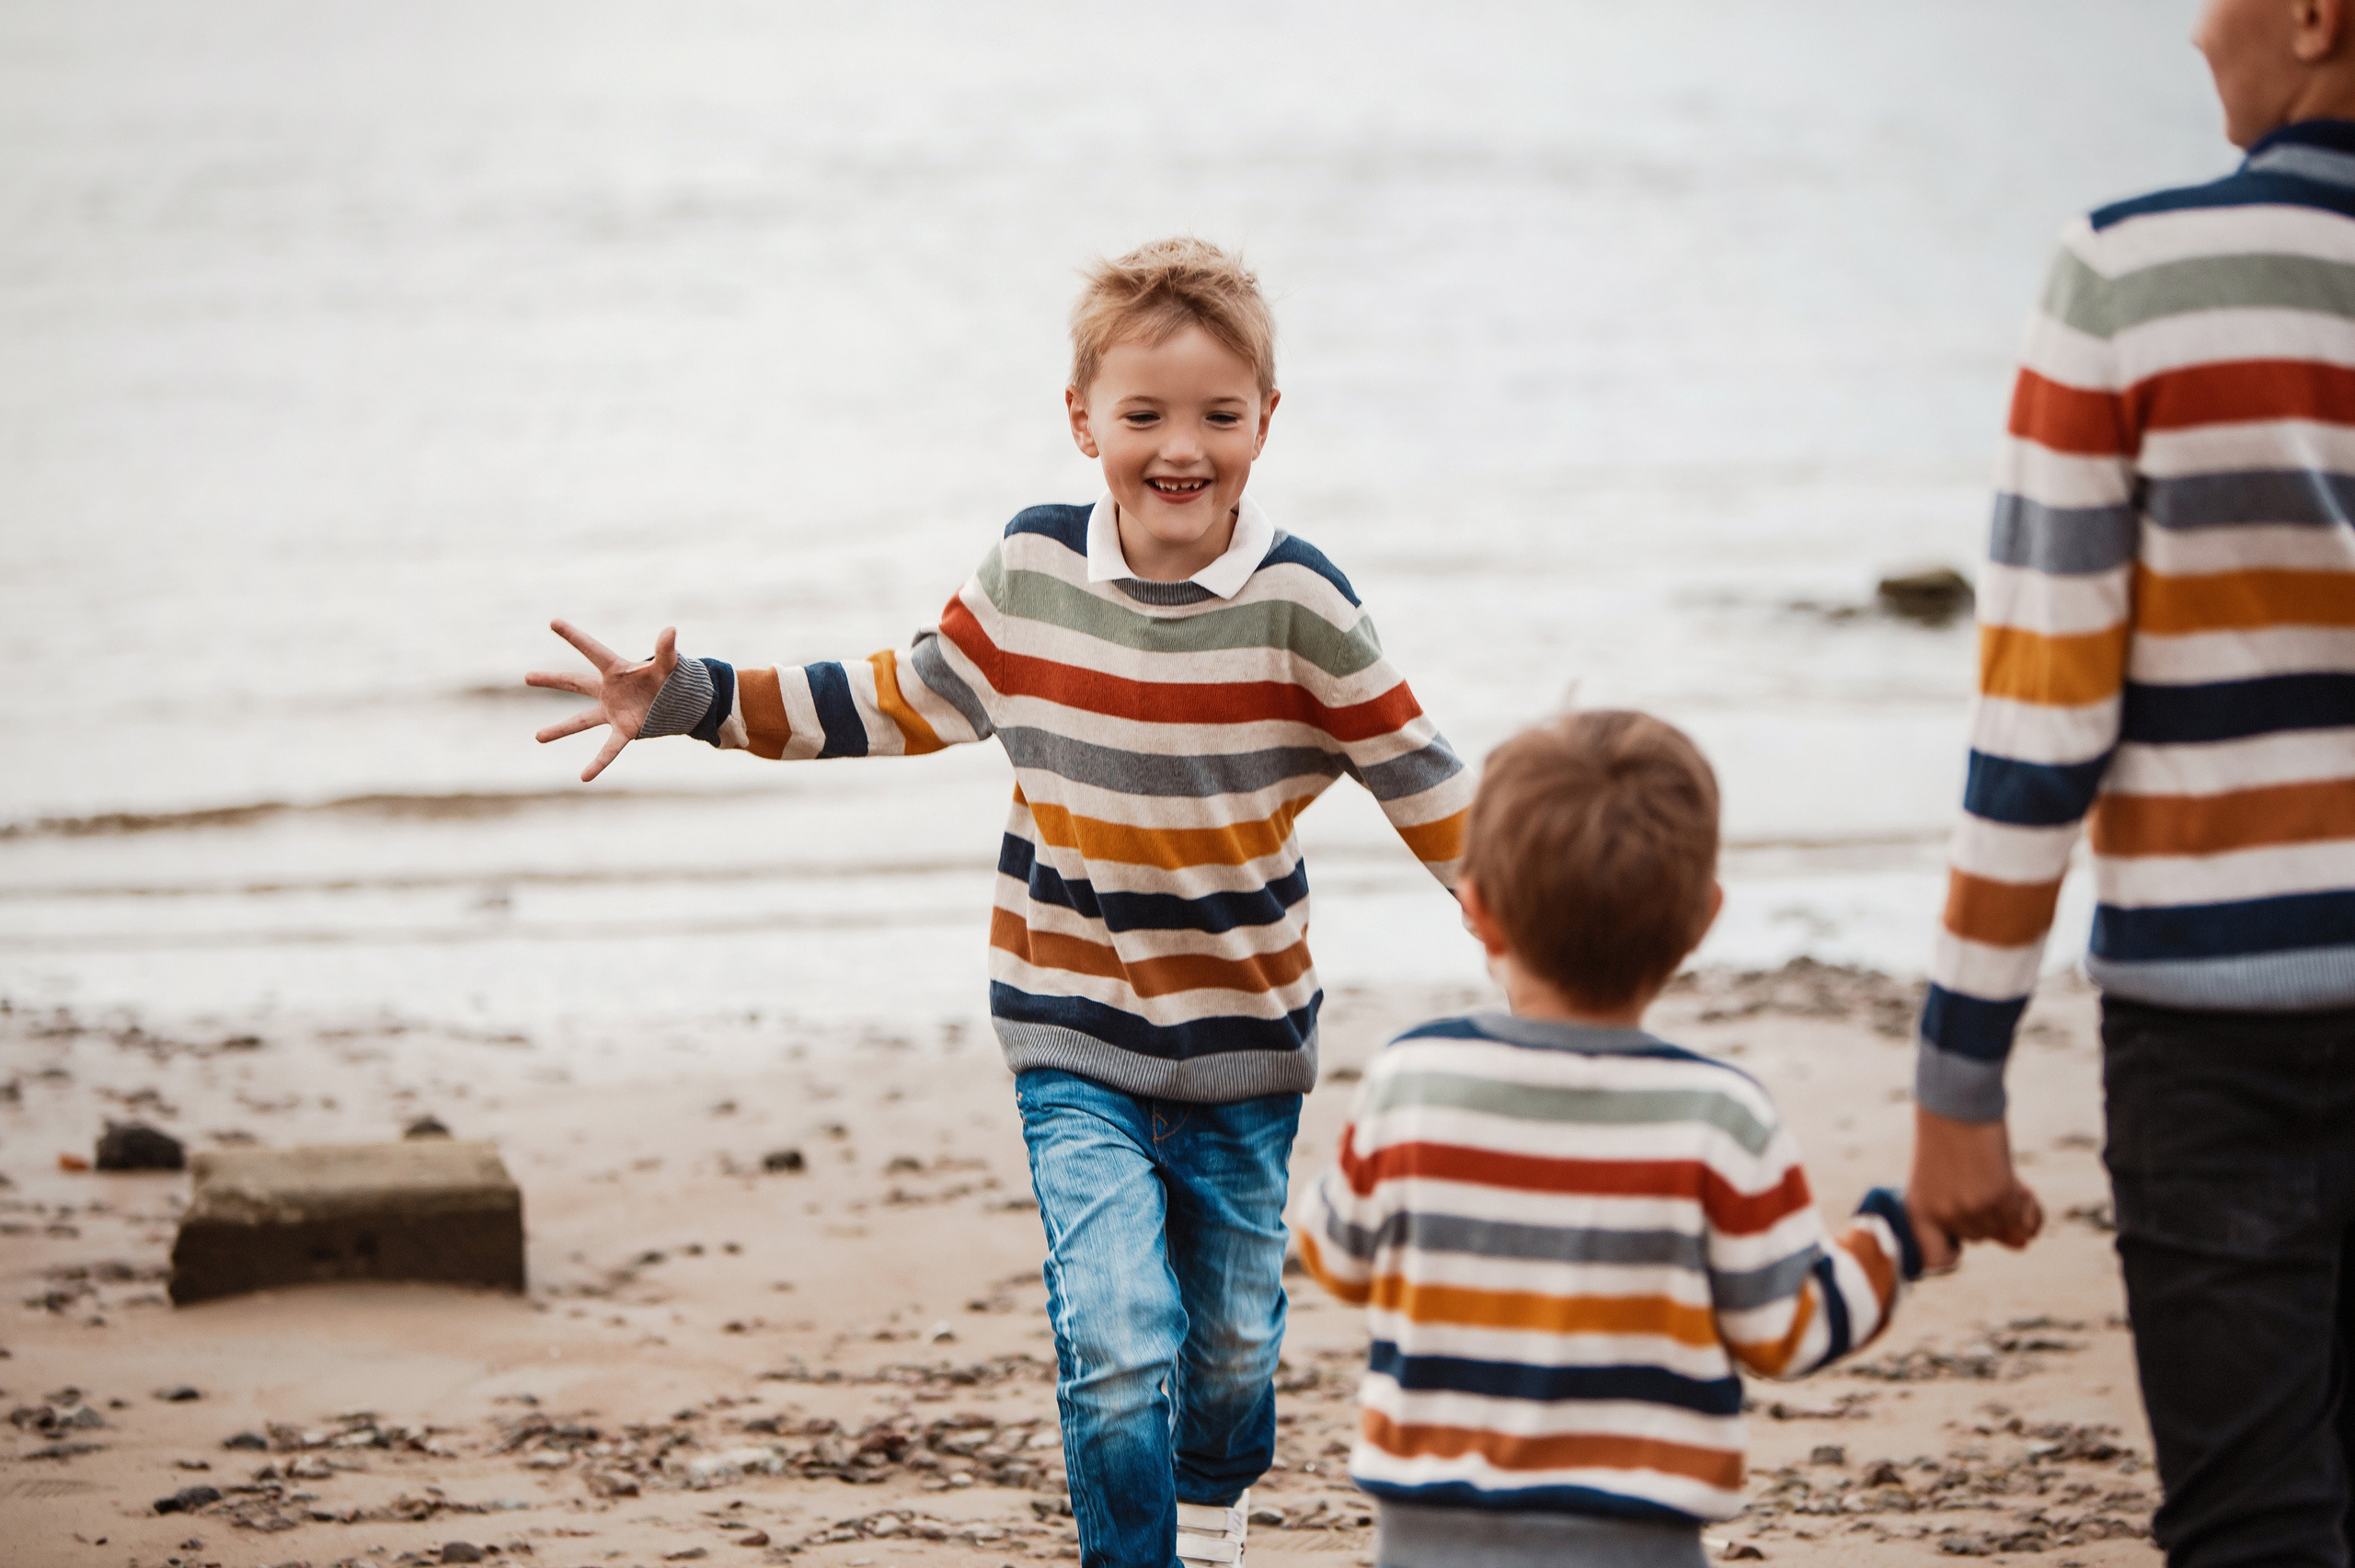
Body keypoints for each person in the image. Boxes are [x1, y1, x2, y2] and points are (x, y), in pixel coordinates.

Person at [525, 237, 1476, 1568]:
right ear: (1083, 420)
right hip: (1070, 1027)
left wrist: (1528, 914)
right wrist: (699, 700)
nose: (1179, 447)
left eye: (1216, 414)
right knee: (1116, 1339)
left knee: (1229, 1357)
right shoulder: (1032, 573)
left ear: (1268, 417)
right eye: (1143, 415)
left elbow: (1415, 768)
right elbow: (902, 694)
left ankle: (1214, 1507)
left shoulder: (1302, 603)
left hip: (1247, 1043)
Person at [1908, 1, 2355, 1560]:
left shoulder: (2130, 277)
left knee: (2257, 1519)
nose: (2189, 28)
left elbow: (2046, 715)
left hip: (2219, 1025)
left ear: (2315, 19)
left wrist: (1961, 1077)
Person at [1292, 711, 1946, 1568]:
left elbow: (1338, 1258)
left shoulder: (1412, 1084)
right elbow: (1787, 1326)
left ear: (1477, 907)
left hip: (1429, 1541)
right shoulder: (1719, 1118)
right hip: (1639, 1541)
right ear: (1702, 921)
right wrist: (1897, 1237)